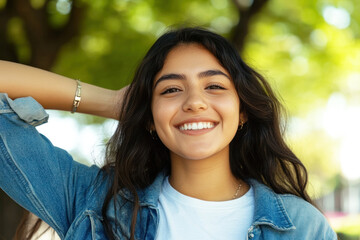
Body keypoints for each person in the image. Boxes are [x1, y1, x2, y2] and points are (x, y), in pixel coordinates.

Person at [0, 27, 337, 240]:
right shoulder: (92, 202)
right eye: (171, 90)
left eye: (215, 86)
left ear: (243, 110)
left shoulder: (301, 226)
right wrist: (112, 102)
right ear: (149, 116)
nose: (194, 102)